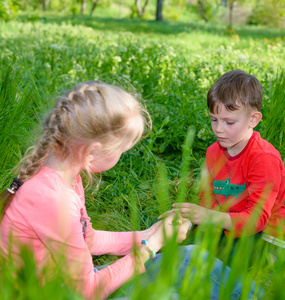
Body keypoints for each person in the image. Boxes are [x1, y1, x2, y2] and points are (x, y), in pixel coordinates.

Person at [0, 81, 256, 300]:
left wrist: (150, 233)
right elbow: (88, 290)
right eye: (121, 151)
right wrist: (152, 244)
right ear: (92, 153)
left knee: (191, 257)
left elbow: (88, 240)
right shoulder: (52, 199)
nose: (122, 156)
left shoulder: (65, 177)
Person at [162, 70, 285, 262]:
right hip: (223, 222)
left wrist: (207, 217)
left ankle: (271, 256)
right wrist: (195, 220)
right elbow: (208, 196)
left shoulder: (263, 158)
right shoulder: (213, 152)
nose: (219, 129)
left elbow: (257, 221)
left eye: (229, 122)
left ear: (253, 119)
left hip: (259, 234)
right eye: (214, 119)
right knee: (170, 234)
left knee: (206, 261)